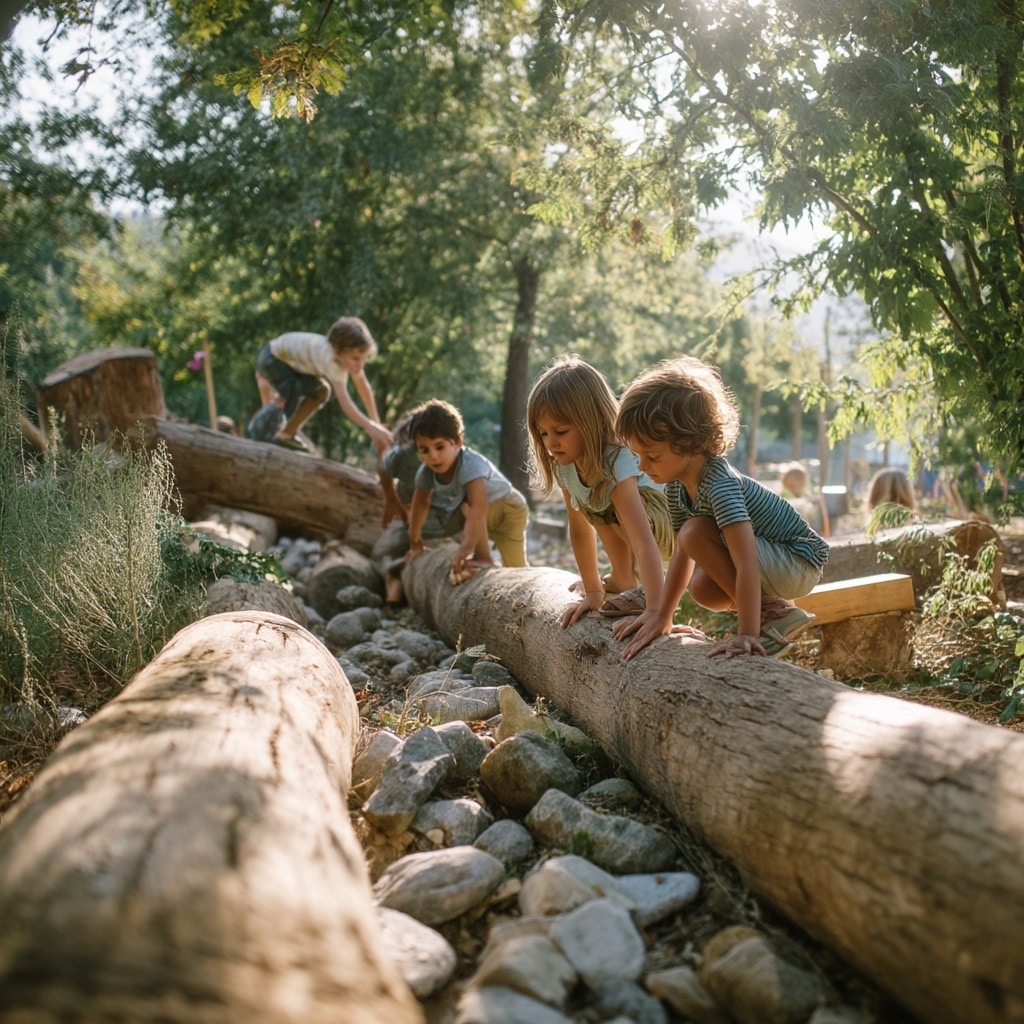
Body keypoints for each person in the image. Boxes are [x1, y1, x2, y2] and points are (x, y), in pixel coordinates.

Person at [613, 355, 829, 660]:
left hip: (798, 559)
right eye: (638, 455)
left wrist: (745, 634)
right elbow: (681, 555)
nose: (642, 465)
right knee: (701, 588)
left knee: (694, 532)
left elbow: (746, 563)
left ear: (689, 441)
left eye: (652, 456)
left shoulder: (719, 483)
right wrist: (662, 616)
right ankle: (775, 613)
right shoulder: (676, 487)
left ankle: (765, 623)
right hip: (770, 560)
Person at [526, 355, 674, 627]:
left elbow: (643, 540)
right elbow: (581, 531)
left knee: (609, 502)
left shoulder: (617, 460)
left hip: (665, 528)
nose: (551, 443)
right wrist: (593, 591)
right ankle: (624, 580)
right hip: (633, 531)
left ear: (592, 421)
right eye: (543, 433)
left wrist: (657, 612)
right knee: (595, 506)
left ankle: (644, 591)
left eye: (560, 430)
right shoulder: (565, 466)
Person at [403, 399, 529, 575]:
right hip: (483, 515)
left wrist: (465, 549)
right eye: (424, 450)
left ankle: (484, 557)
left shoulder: (469, 465)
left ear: (458, 442)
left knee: (516, 566)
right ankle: (486, 557)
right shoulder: (425, 473)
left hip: (509, 509)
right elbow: (419, 505)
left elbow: (478, 506)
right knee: (458, 510)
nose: (433, 456)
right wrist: (415, 542)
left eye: (440, 447)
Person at [248, 316, 392, 452]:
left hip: (293, 366)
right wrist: (370, 427)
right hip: (272, 358)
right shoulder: (330, 359)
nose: (360, 364)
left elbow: (363, 387)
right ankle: (260, 430)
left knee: (321, 391)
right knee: (290, 395)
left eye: (364, 358)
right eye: (355, 358)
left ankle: (287, 433)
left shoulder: (348, 360)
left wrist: (376, 422)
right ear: (338, 351)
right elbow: (345, 403)